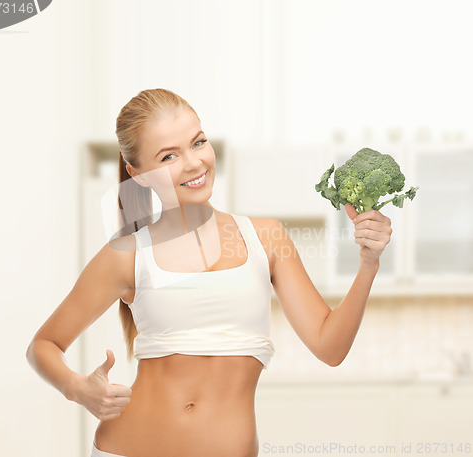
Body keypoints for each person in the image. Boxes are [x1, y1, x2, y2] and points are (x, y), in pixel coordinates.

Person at [26, 88, 392, 457]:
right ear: (137, 174)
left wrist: (368, 264)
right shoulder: (128, 255)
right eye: (169, 155)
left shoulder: (265, 237)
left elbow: (330, 347)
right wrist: (78, 388)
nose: (193, 163)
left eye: (198, 143)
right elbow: (43, 345)